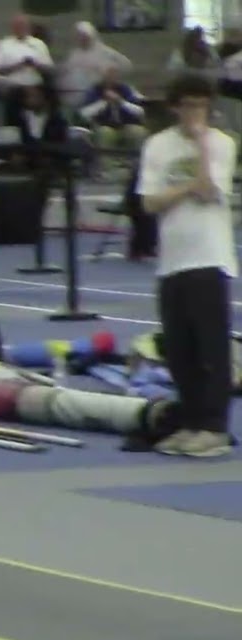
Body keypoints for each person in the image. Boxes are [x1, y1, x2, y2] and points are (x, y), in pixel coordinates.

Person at [138, 73, 238, 458]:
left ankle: (214, 426)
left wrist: (199, 145)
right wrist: (182, 190)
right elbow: (148, 202)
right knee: (180, 350)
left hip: (209, 256)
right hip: (172, 260)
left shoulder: (221, 144)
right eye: (189, 105)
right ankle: (192, 419)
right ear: (175, 107)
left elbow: (210, 189)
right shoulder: (157, 146)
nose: (196, 112)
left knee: (212, 348)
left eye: (202, 105)